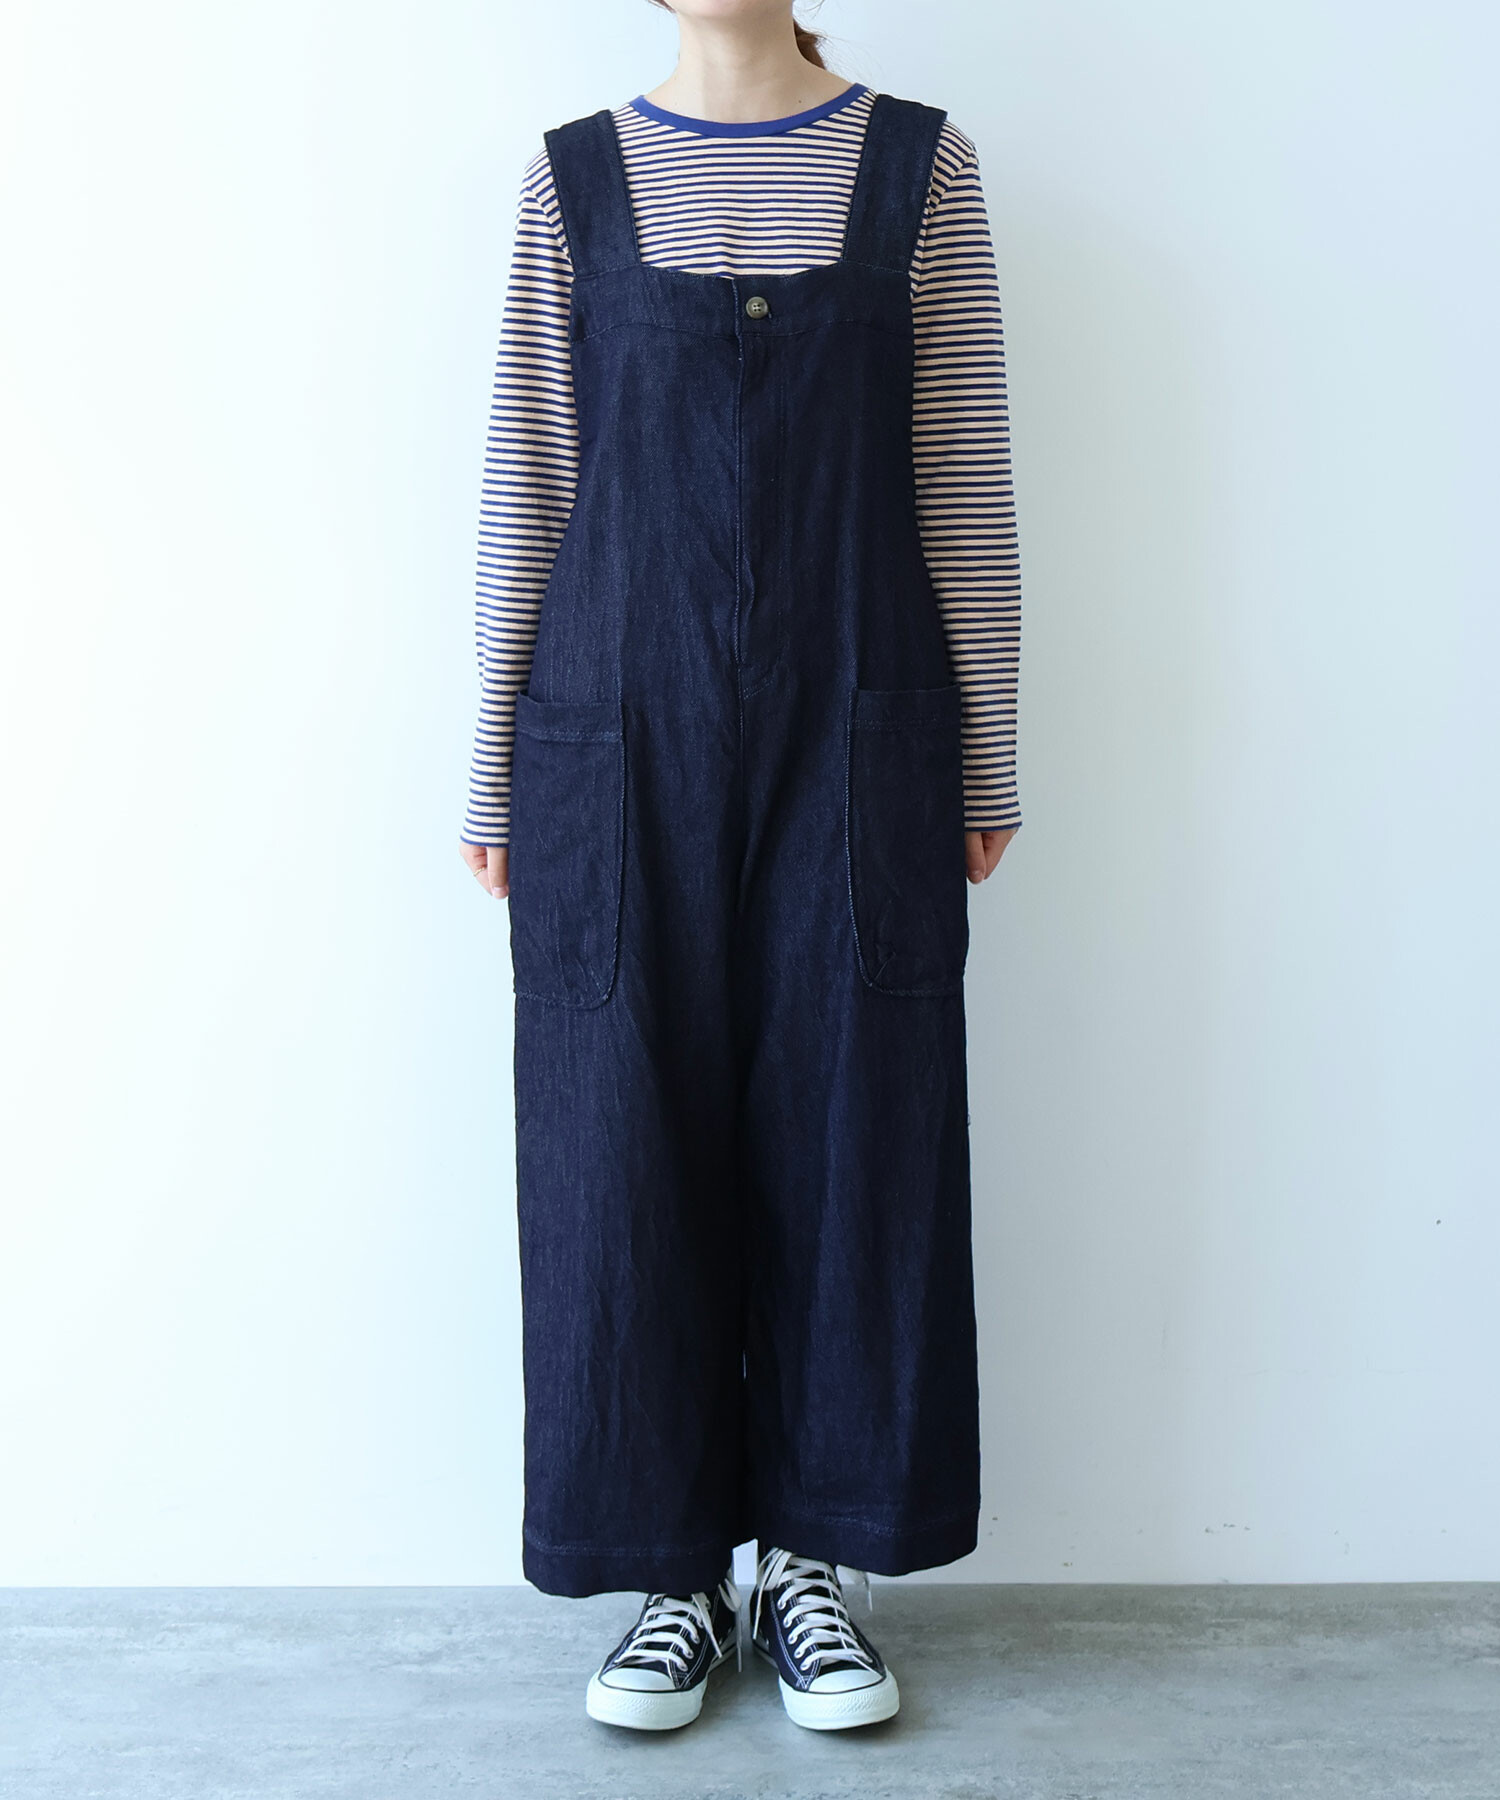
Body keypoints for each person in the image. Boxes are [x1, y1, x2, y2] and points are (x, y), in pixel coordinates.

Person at [458, 0, 1022, 1734]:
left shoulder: (925, 168)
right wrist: (493, 765)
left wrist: (986, 749)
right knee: (618, 1136)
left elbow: (962, 472)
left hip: (859, 730)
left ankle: (814, 1562)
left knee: (858, 1130)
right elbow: (528, 482)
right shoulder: (572, 181)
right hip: (615, 741)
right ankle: (670, 1576)